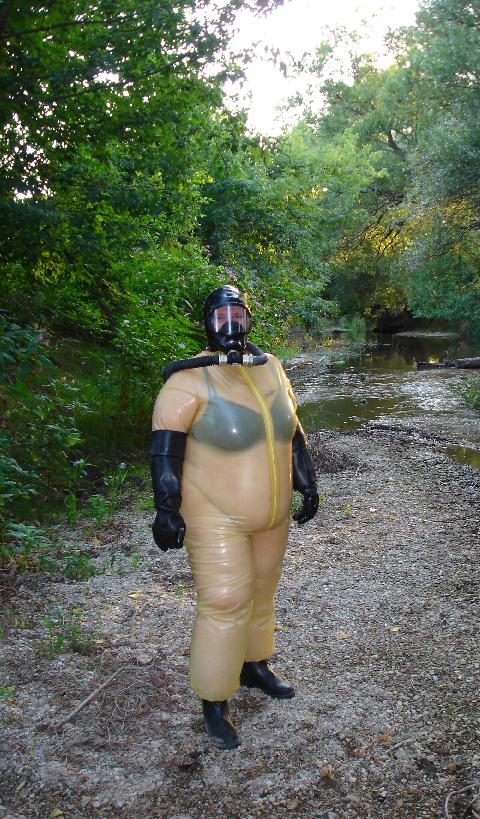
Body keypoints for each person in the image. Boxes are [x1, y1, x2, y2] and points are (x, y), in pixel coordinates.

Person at [149, 285, 319, 750]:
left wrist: (306, 481)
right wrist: (166, 508)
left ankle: (253, 665)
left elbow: (292, 431)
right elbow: (164, 453)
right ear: (206, 323)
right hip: (213, 513)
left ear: (249, 319)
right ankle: (214, 698)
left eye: (238, 315)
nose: (231, 326)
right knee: (225, 600)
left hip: (272, 514)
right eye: (221, 317)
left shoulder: (270, 368)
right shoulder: (187, 382)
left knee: (263, 588)